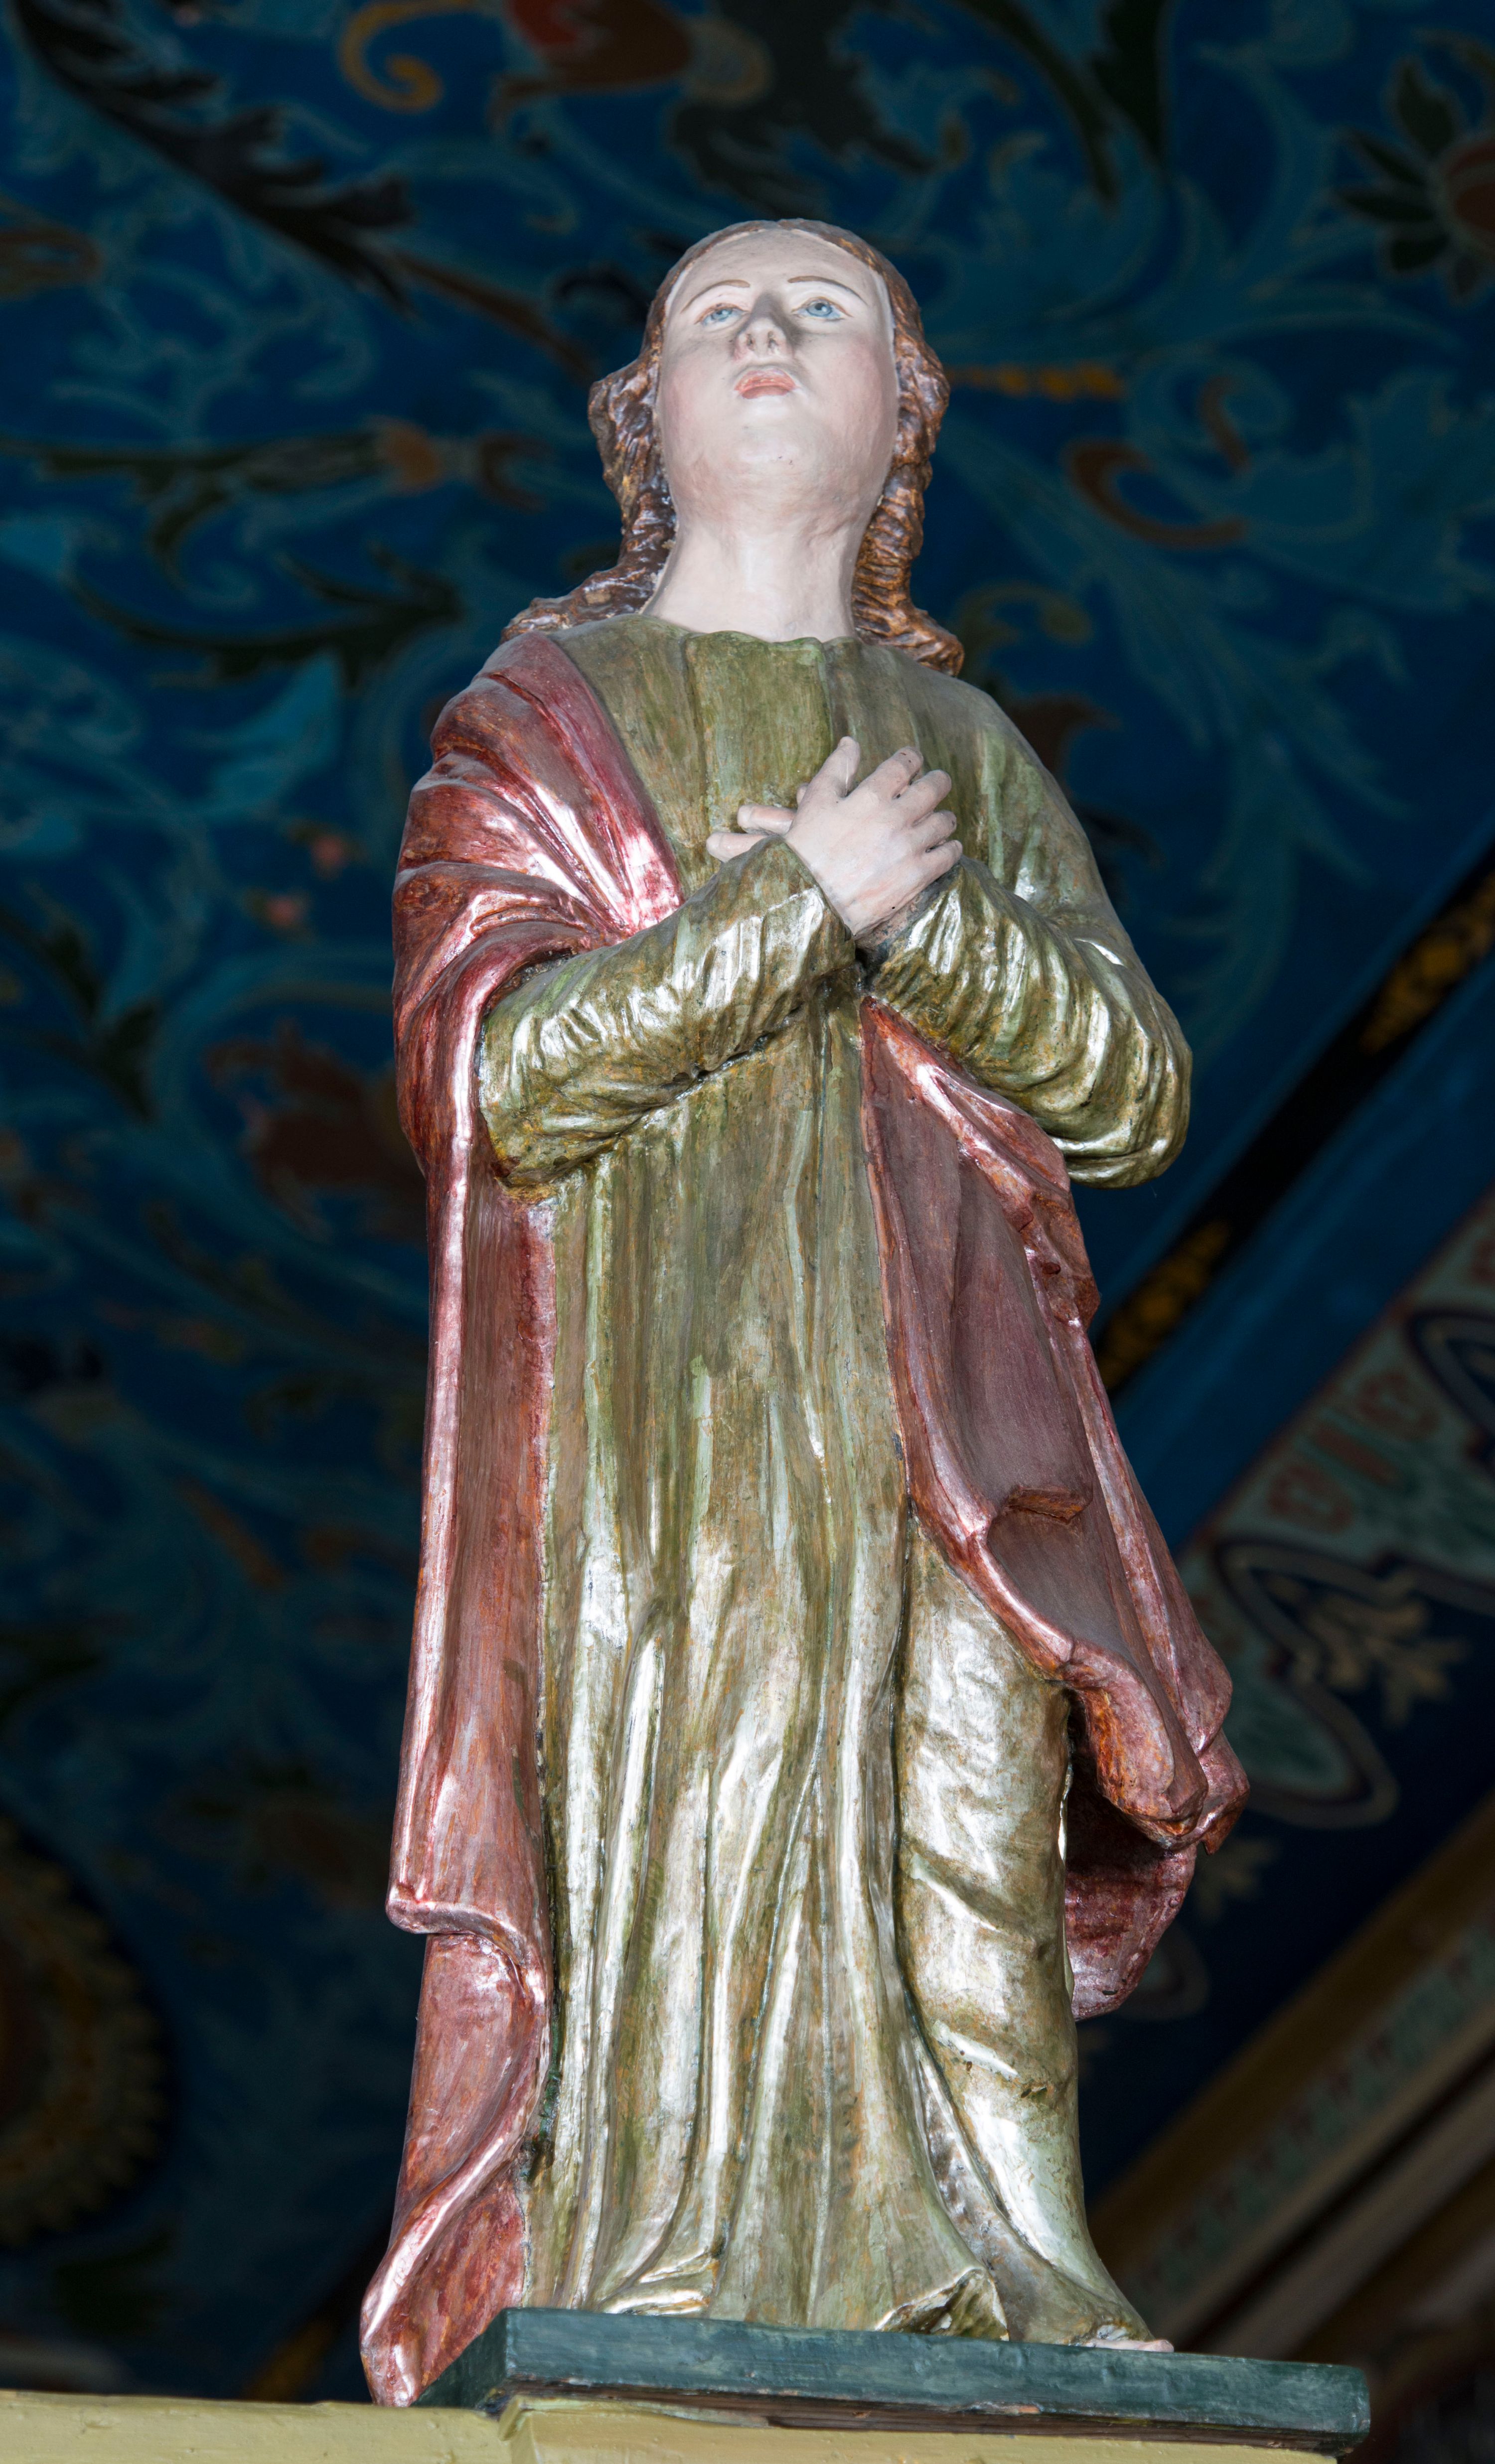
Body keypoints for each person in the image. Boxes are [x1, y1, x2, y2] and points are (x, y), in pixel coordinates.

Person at [361, 218, 1244, 2407]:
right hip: (659, 1399)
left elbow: (1133, 1088)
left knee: (964, 1781)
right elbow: (497, 1078)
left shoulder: (963, 739)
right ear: (645, 419)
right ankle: (660, 2256)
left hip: (950, 1392)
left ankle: (1008, 2261)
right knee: (699, 1777)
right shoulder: (536, 718)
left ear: (902, 417)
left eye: (823, 308)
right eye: (714, 314)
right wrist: (799, 909)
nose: (766, 331)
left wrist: (927, 929)